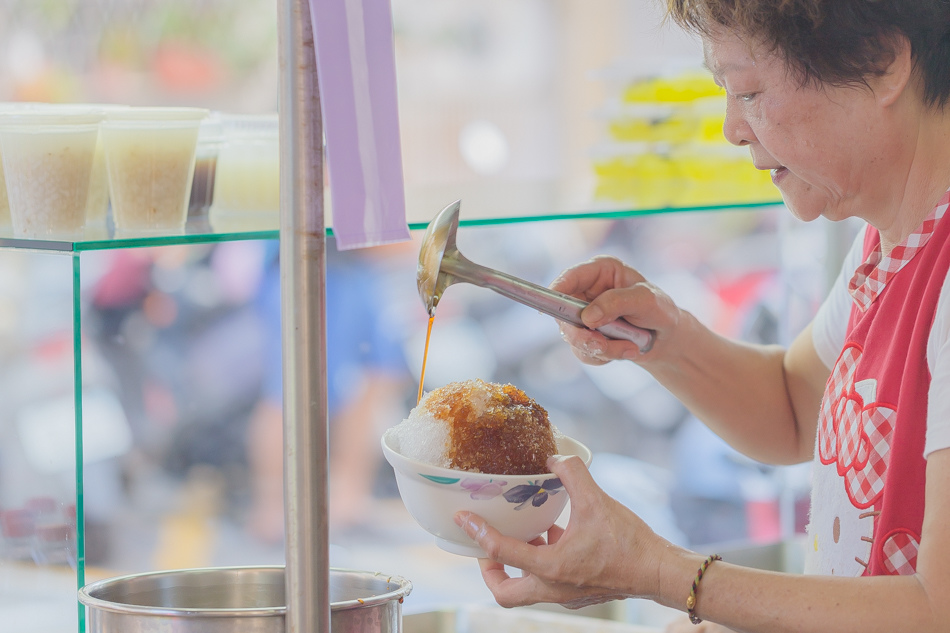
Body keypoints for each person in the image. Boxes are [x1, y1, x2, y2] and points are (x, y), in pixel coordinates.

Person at [451, 1, 950, 631]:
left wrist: (659, 573)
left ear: (883, 63)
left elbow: (938, 610)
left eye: (748, 90)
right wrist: (666, 339)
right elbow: (794, 408)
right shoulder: (890, 238)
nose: (732, 129)